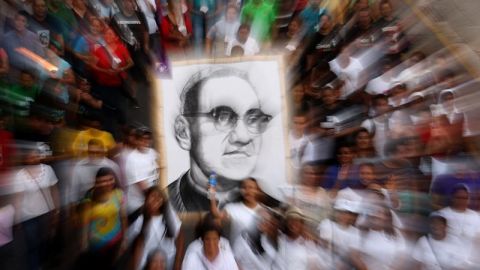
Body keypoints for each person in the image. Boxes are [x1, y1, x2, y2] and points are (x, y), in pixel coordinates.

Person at [168, 67, 273, 212]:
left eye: (253, 119)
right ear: (184, 132)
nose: (243, 137)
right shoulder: (164, 205)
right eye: (222, 117)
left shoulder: (273, 210)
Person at [11, 146, 60, 270]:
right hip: (28, 216)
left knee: (44, 241)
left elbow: (54, 191)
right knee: (32, 244)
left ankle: (42, 261)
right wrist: (16, 219)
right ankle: (35, 266)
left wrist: (56, 210)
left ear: (39, 156)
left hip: (46, 213)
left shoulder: (48, 170)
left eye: (35, 155)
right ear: (25, 159)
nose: (33, 158)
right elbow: (18, 198)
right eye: (30, 156)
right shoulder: (20, 175)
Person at [77, 167, 127, 269]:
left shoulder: (119, 194)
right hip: (96, 248)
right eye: (102, 181)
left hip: (115, 243)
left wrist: (124, 239)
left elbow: (123, 217)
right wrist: (84, 246)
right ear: (97, 182)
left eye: (110, 179)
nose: (107, 183)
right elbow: (85, 224)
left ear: (115, 179)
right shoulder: (89, 197)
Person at [129, 187, 182, 270]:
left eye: (159, 197)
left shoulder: (169, 215)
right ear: (146, 200)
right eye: (153, 196)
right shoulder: (141, 220)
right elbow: (138, 246)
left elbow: (180, 237)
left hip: (168, 258)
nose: (156, 199)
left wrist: (178, 261)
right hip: (148, 262)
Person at [210, 178, 264, 245]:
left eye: (251, 187)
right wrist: (212, 194)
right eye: (244, 187)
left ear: (257, 190)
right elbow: (216, 215)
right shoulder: (232, 208)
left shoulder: (265, 211)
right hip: (236, 253)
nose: (247, 190)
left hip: (258, 254)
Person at [124, 127, 159, 220]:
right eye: (141, 139)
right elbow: (142, 186)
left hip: (152, 201)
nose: (145, 141)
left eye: (148, 138)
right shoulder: (132, 159)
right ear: (136, 141)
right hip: (139, 206)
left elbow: (161, 169)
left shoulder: (152, 152)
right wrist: (158, 201)